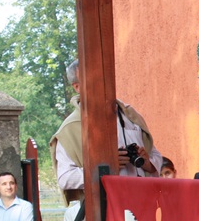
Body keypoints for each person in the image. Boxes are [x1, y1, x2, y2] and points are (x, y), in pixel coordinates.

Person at [49, 58, 163, 192]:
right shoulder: (69, 129)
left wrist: (148, 163)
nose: (101, 83)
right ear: (77, 87)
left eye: (103, 77)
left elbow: (156, 156)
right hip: (104, 202)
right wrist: (104, 168)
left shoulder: (130, 115)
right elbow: (65, 178)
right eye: (92, 79)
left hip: (141, 197)